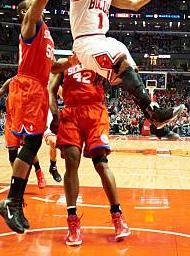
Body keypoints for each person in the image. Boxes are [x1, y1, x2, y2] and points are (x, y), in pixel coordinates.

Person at [0, 0, 87, 234]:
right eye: (35, 4)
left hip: (36, 88)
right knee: (31, 144)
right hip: (26, 88)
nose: (41, 5)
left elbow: (53, 67)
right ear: (26, 11)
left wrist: (74, 59)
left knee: (32, 144)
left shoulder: (45, 32)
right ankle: (11, 200)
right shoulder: (30, 22)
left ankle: (12, 201)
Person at [69, 0, 185, 129]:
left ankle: (155, 114)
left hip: (103, 40)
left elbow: (134, 5)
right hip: (85, 42)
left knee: (130, 70)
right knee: (121, 64)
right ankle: (155, 113)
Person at [49, 58, 130, 246]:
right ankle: (72, 221)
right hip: (70, 113)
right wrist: (55, 115)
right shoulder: (64, 64)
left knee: (101, 164)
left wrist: (127, 69)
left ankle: (117, 216)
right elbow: (51, 91)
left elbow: (118, 76)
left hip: (95, 111)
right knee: (71, 163)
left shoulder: (97, 59)